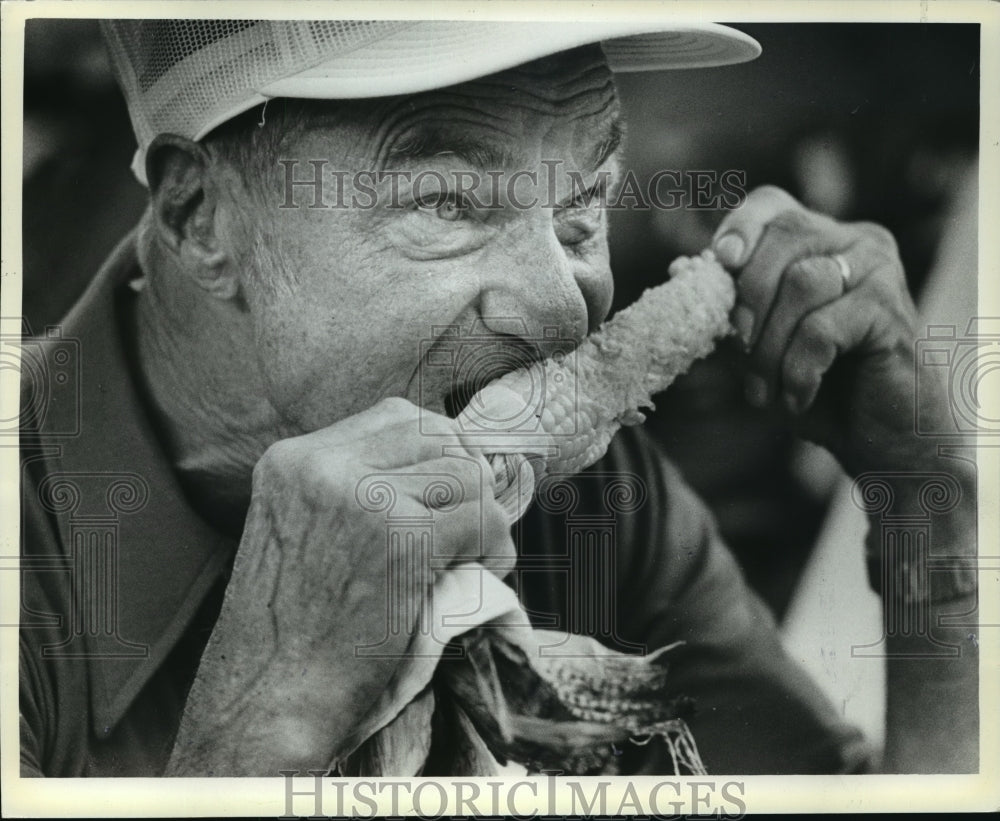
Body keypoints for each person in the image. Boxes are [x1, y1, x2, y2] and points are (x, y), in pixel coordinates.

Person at [19, 19, 977, 778]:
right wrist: (262, 723)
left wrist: (924, 492)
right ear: (199, 217)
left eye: (582, 203)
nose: (567, 310)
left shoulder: (598, 501)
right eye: (448, 201)